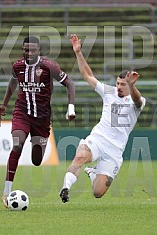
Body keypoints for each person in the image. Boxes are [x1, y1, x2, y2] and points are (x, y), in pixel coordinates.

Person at [59, 34, 146, 202]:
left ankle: (93, 172)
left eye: (123, 84)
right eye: (118, 83)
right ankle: (65, 188)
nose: (119, 87)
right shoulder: (109, 92)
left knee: (98, 192)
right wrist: (78, 52)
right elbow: (88, 76)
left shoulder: (138, 102)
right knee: (79, 157)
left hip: (115, 149)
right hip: (99, 138)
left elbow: (137, 99)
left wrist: (133, 86)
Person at [0, 36, 76, 208]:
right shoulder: (17, 66)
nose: (29, 53)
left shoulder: (48, 67)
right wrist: (4, 104)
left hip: (42, 119)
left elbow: (70, 84)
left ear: (39, 51)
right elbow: (13, 82)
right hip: (22, 113)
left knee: (37, 160)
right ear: (22, 50)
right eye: (26, 49)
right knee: (17, 144)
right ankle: (6, 191)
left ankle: (37, 145)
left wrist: (71, 108)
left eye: (33, 50)